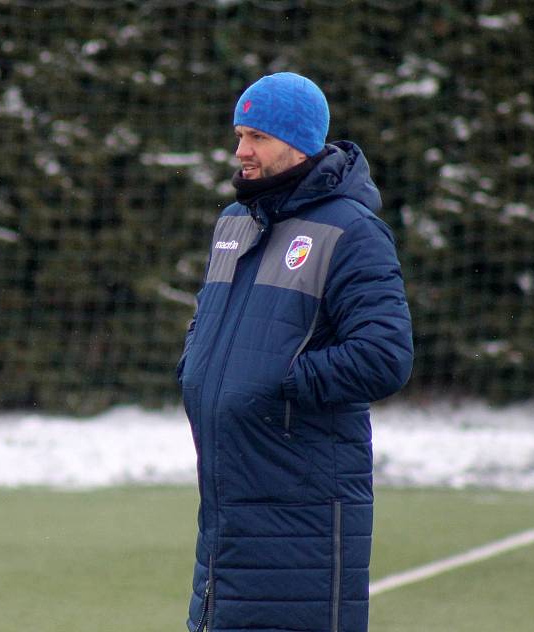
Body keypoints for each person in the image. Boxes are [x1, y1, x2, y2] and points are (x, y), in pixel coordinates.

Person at [176, 72, 413, 632]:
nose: (241, 152)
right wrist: (197, 366)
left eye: (256, 136)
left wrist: (280, 381)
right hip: (228, 503)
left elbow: (385, 354)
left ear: (298, 141)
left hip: (301, 510)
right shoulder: (234, 222)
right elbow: (207, 322)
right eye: (239, 135)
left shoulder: (352, 229)